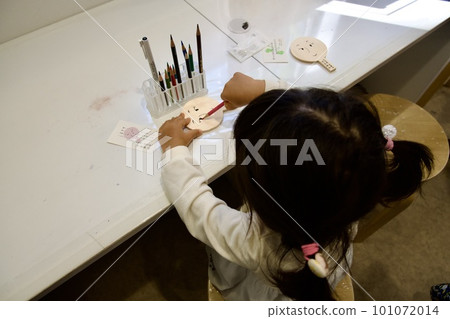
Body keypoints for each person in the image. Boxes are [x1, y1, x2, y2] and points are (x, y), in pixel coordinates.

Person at [158, 72, 434, 300]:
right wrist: (264, 92)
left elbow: (199, 208)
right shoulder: (350, 183)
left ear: (266, 194)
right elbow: (319, 119)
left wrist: (174, 150)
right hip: (326, 263)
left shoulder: (257, 243)